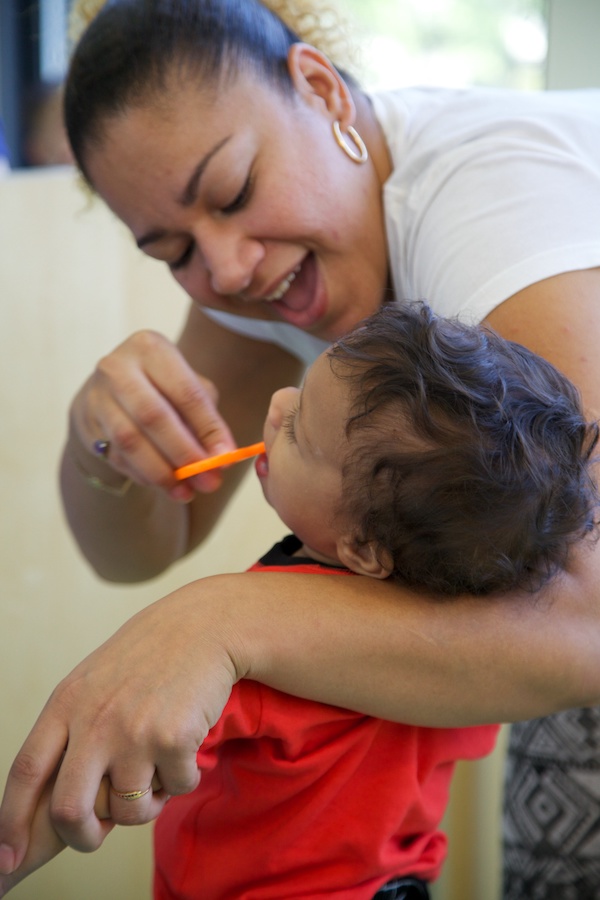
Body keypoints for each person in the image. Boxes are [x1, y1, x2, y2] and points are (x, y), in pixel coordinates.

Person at [0, 0, 600, 894]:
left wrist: (221, 622)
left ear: (319, 89)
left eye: (234, 190)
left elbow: (585, 622)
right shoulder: (265, 277)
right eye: (172, 250)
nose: (227, 271)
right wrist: (99, 442)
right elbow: (139, 548)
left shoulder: (493, 209)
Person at [2, 300, 598, 898]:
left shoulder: (266, 654)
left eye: (299, 432)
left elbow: (91, 774)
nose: (278, 403)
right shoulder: (485, 646)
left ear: (364, 549)